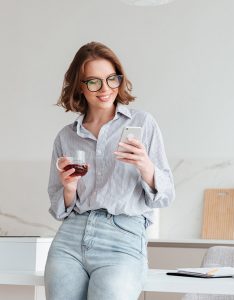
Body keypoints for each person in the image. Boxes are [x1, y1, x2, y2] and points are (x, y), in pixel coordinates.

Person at [44, 41, 175, 300]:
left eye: (111, 79)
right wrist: (69, 188)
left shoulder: (142, 123)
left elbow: (166, 194)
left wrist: (145, 166)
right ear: (79, 87)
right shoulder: (66, 137)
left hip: (123, 236)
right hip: (70, 237)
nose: (105, 89)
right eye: (93, 82)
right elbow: (59, 208)